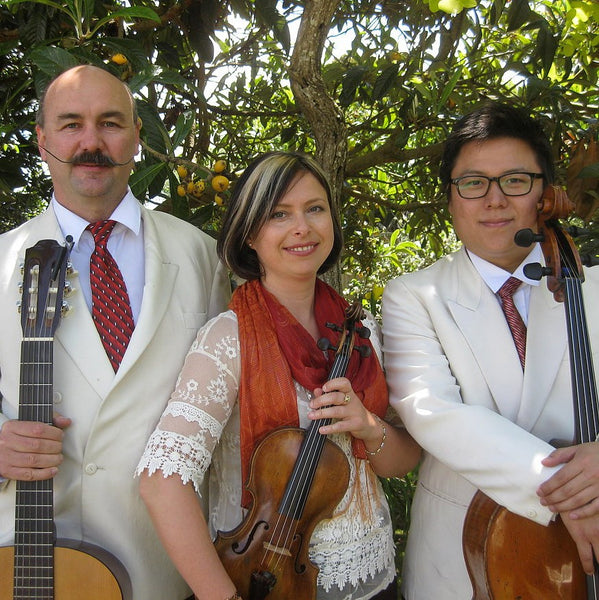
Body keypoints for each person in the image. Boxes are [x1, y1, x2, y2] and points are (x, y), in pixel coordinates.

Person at [137, 151, 421, 600]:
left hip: (373, 577)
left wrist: (367, 425)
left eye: (315, 209)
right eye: (279, 214)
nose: (302, 228)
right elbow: (162, 480)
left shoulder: (361, 332)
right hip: (264, 580)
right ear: (250, 233)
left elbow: (401, 462)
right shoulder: (229, 340)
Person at [0, 64, 230, 600]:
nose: (90, 142)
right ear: (41, 141)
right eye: (70, 124)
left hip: (165, 561)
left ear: (137, 136)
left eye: (109, 123)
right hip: (29, 560)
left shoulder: (202, 255)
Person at [382, 102, 599, 599]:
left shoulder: (594, 290)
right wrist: (571, 496)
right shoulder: (414, 296)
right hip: (463, 557)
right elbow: (433, 412)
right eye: (474, 183)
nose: (494, 200)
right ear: (451, 199)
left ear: (546, 194)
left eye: (516, 181)